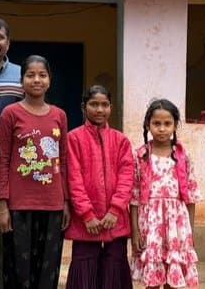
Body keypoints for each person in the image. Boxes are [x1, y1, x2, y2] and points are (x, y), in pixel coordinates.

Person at [0, 55, 70, 289]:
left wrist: (66, 201)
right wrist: (2, 204)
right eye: (30, 75)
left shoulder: (59, 115)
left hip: (53, 205)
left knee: (47, 272)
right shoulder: (11, 113)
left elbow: (64, 160)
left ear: (49, 80)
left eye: (42, 75)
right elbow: (3, 159)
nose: (36, 80)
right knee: (17, 271)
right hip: (19, 207)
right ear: (21, 80)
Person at [65, 85, 134, 289]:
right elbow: (73, 179)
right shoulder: (73, 138)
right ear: (83, 107)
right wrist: (87, 214)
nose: (99, 109)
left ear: (111, 107)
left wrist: (115, 210)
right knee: (84, 268)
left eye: (105, 105)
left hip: (115, 220)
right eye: (94, 104)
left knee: (115, 266)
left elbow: (126, 177)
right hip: (85, 221)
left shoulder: (121, 141)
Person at [130, 99, 201, 289]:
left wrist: (190, 232)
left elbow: (191, 197)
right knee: (153, 277)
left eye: (167, 124)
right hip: (150, 224)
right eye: (156, 123)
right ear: (148, 125)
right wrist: (135, 231)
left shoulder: (182, 156)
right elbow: (134, 198)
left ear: (175, 125)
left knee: (172, 274)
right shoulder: (140, 156)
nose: (162, 129)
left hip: (177, 225)